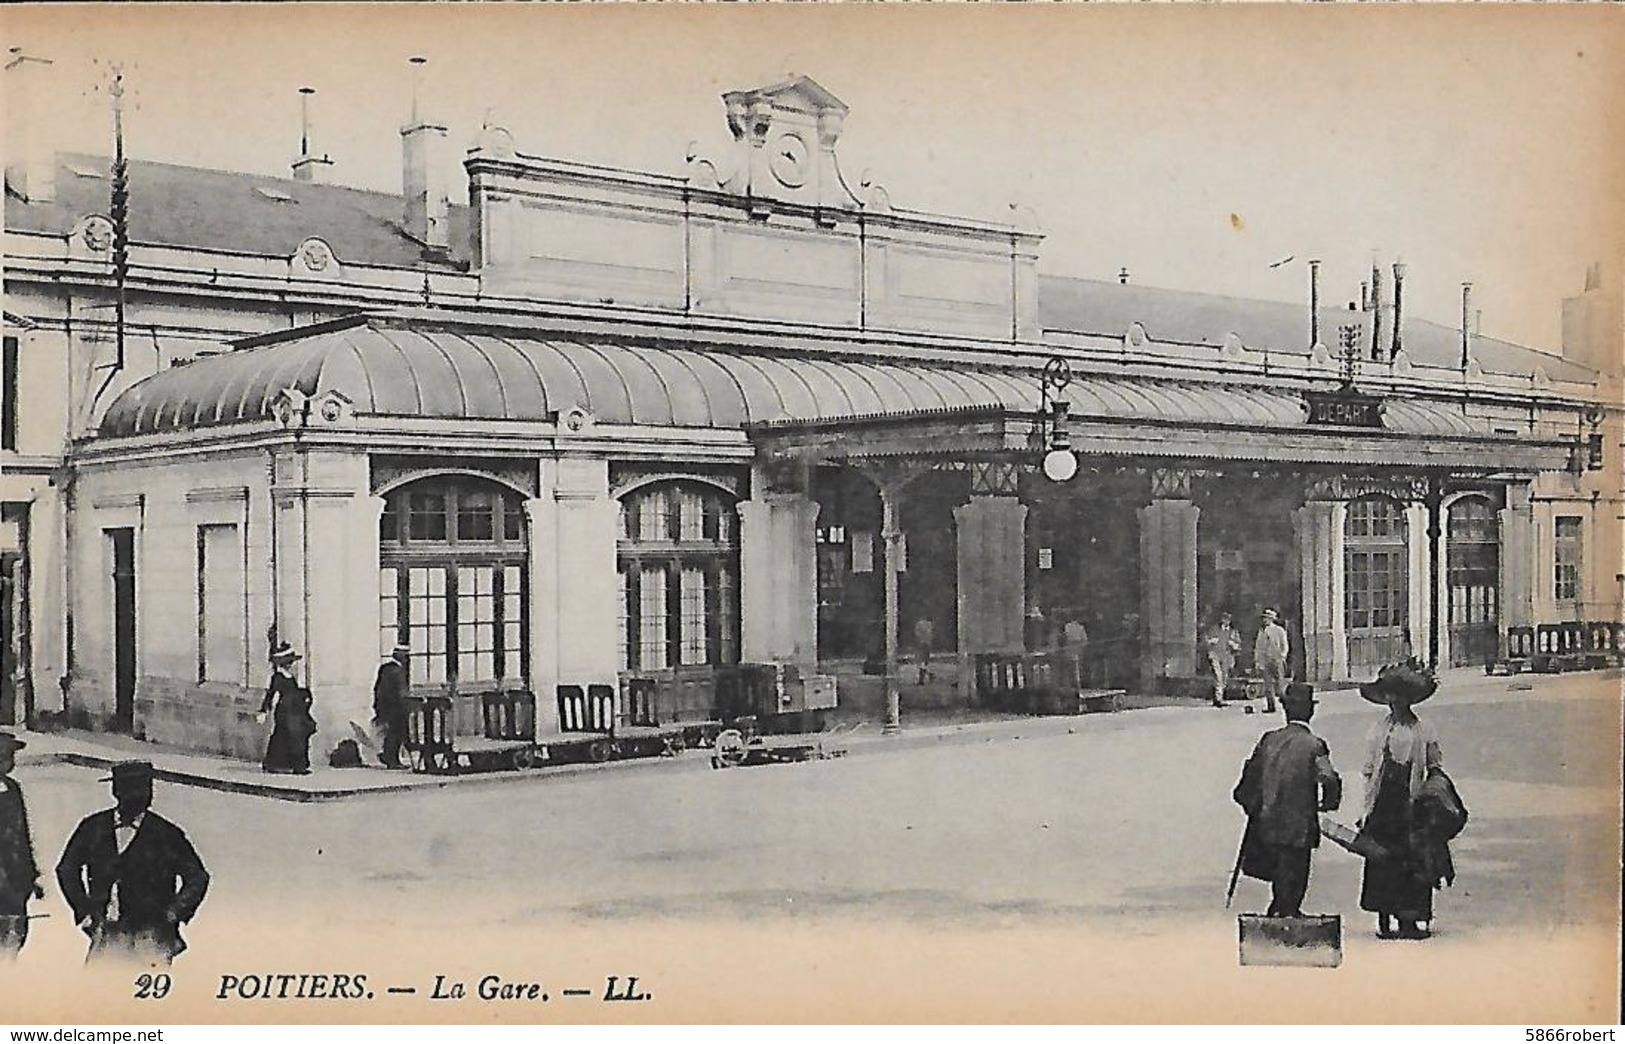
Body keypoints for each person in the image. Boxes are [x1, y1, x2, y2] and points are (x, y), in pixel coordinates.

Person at [55, 760, 210, 965]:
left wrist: (174, 913)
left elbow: (197, 876)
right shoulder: (93, 827)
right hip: (106, 932)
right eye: (133, 788)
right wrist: (83, 910)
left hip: (152, 936)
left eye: (146, 788)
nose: (142, 795)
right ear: (116, 791)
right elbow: (67, 869)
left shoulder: (166, 833)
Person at [1357, 660, 1454, 940]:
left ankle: (1410, 921)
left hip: (1412, 803)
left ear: (1409, 699)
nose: (1393, 702)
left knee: (1413, 861)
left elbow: (1435, 764)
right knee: (1382, 859)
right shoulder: (1378, 730)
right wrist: (1365, 808)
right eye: (1389, 696)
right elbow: (1368, 771)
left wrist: (1432, 793)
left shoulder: (1423, 730)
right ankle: (1384, 918)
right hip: (1384, 803)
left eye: (1399, 696)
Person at [1232, 682, 1343, 917]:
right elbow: (1329, 778)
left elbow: (1247, 781)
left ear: (1285, 710)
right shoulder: (1315, 745)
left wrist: (1255, 806)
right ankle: (1287, 917)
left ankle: (1280, 912)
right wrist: (1329, 802)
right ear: (1310, 711)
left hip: (1268, 821)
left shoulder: (1268, 740)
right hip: (1299, 824)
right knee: (1295, 873)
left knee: (1280, 873)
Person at [1, 732, 43, 957]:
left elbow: (22, 835)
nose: (8, 762)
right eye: (3, 756)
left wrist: (32, 875)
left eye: (9, 757)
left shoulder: (13, 789)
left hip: (14, 887)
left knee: (13, 940)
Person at [260, 641, 317, 775]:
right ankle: (276, 763)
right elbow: (270, 693)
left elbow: (294, 692)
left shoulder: (291, 677)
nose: (293, 665)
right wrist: (264, 710)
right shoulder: (278, 677)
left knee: (296, 735)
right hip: (285, 711)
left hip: (296, 711)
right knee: (286, 736)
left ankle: (296, 764)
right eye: (291, 662)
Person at [372, 643, 412, 769]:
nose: (407, 658)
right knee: (396, 734)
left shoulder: (385, 668)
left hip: (385, 707)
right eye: (405, 656)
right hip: (396, 709)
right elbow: (401, 693)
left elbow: (377, 689)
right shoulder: (397, 671)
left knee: (390, 734)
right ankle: (392, 759)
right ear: (399, 656)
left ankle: (389, 756)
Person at [1253, 608, 1289, 714]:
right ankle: (1271, 706)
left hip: (1277, 659)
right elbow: (1258, 647)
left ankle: (1286, 704)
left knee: (1279, 684)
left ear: (1272, 619)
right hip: (1265, 661)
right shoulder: (1261, 632)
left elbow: (1284, 644)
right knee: (1268, 685)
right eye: (1264, 618)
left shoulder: (1279, 630)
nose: (1265, 620)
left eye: (1267, 618)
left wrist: (1282, 656)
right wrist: (1258, 661)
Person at [1203, 611, 1241, 709]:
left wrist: (1234, 645)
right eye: (1224, 619)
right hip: (1215, 655)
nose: (1226, 621)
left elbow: (1238, 645)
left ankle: (1220, 697)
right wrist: (1211, 641)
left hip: (1227, 657)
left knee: (1224, 677)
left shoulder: (1233, 632)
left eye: (1228, 619)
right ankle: (1218, 698)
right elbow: (1206, 640)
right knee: (1218, 676)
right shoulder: (1214, 630)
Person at [912, 618, 936, 685]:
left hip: (922, 644)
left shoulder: (920, 624)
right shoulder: (929, 625)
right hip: (926, 644)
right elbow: (931, 635)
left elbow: (917, 633)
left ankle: (922, 679)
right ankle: (927, 676)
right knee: (923, 662)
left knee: (921, 661)